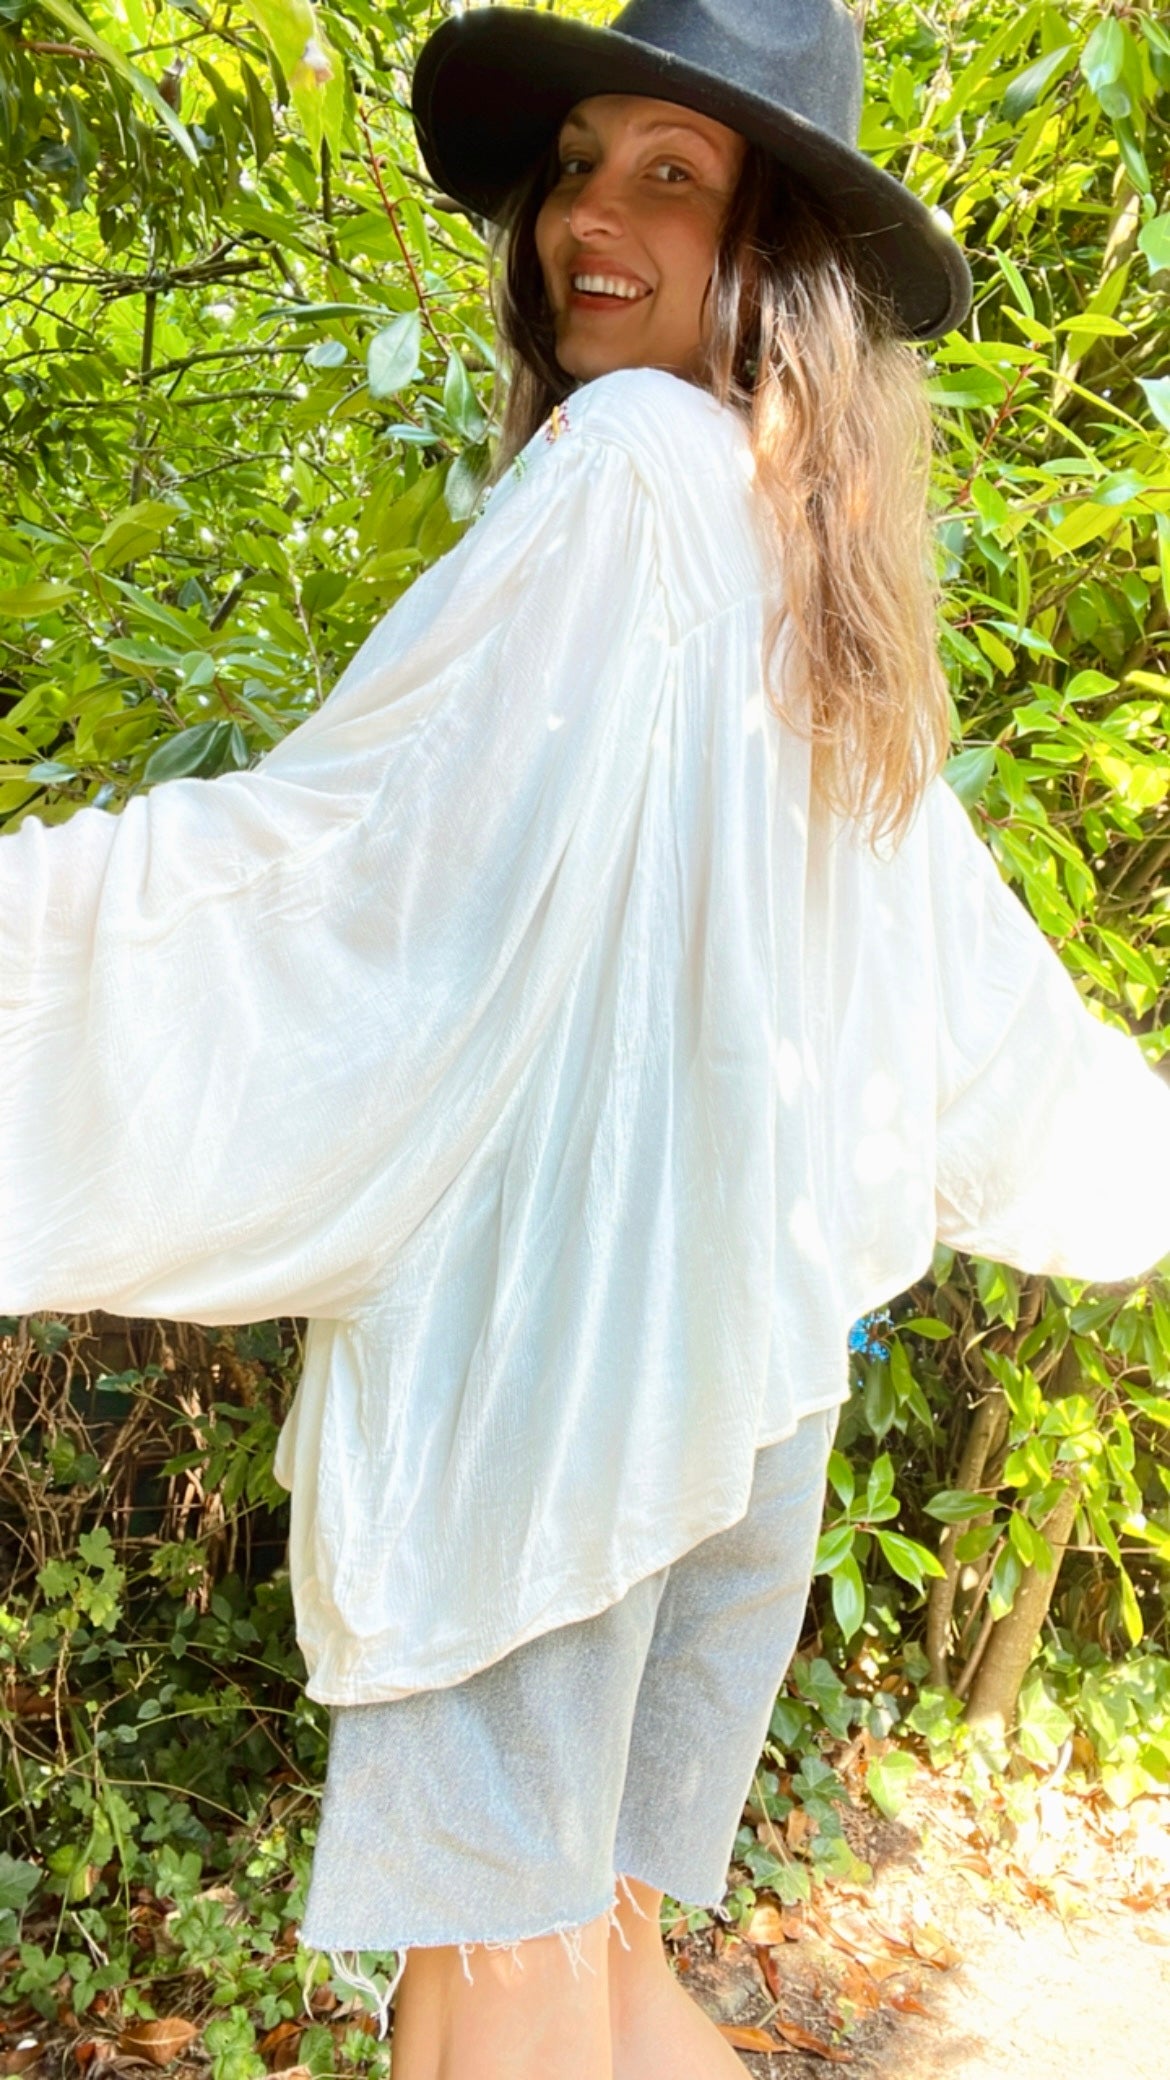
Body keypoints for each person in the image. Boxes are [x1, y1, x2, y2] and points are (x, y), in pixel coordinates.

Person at [3, 2, 1169, 2075]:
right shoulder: (806, 565)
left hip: (554, 1411)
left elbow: (350, 872)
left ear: (772, 252)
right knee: (602, 1968)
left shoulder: (629, 467)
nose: (585, 220)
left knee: (499, 1998)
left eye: (670, 175)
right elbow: (980, 1018)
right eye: (577, 166)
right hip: (733, 1403)